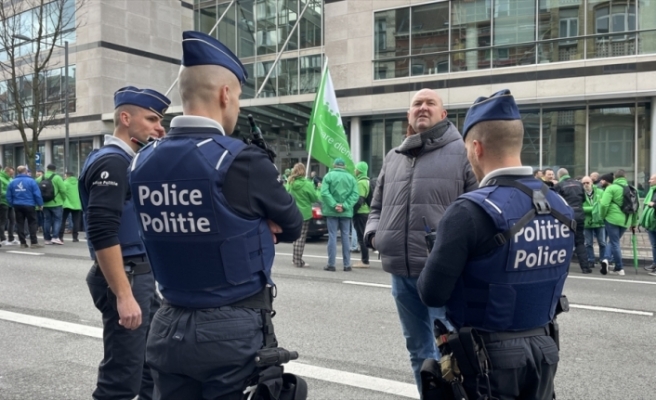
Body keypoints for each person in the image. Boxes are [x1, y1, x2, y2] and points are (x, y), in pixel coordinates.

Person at [128, 31, 304, 399]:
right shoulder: (240, 159)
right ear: (226, 94)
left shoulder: (141, 161)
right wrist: (257, 221)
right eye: (237, 97)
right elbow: (291, 224)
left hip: (166, 325)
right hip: (230, 329)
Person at [418, 89, 575, 400]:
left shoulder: (469, 211)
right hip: (544, 352)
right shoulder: (558, 205)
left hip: (486, 363)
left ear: (476, 148)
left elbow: (431, 292)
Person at [364, 88, 477, 392]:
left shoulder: (463, 152)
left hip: (444, 274)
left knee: (453, 353)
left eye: (430, 103)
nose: (422, 108)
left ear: (443, 114)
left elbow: (477, 209)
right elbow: (376, 207)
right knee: (418, 351)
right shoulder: (394, 157)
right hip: (401, 274)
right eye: (417, 104)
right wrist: (375, 236)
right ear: (409, 114)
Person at [80, 86, 170, 400]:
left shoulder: (127, 159)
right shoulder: (113, 162)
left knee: (151, 367)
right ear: (125, 117)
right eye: (152, 119)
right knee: (122, 380)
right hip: (126, 275)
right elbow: (102, 229)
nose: (161, 126)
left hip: (137, 274)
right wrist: (124, 294)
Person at [321, 157, 359, 272]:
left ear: (334, 165)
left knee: (332, 236)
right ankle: (347, 265)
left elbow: (324, 192)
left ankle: (331, 264)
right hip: (346, 212)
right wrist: (344, 205)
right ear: (345, 166)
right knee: (345, 237)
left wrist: (334, 205)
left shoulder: (328, 176)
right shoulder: (351, 178)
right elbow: (355, 195)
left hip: (331, 211)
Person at [599, 169, 638, 276]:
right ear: (625, 177)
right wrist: (634, 223)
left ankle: (619, 267)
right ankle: (609, 261)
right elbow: (635, 208)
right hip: (626, 220)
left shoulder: (611, 188)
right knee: (613, 241)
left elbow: (603, 205)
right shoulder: (633, 190)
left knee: (614, 242)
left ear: (615, 178)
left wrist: (602, 216)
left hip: (611, 219)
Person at [555, 168, 591, 273]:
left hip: (565, 216)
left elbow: (556, 201)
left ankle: (563, 267)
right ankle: (585, 267)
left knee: (564, 242)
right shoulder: (579, 184)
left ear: (559, 176)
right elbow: (584, 199)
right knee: (580, 241)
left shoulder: (559, 185)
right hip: (579, 215)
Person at [287, 162, 319, 268]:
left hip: (292, 212)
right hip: (304, 214)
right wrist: (318, 189)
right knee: (301, 238)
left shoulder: (290, 183)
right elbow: (314, 198)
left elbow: (286, 195)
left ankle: (294, 258)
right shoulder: (307, 184)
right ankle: (298, 261)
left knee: (296, 236)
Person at [6, 165, 43, 248]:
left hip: (17, 205)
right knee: (32, 223)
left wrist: (12, 204)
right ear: (26, 171)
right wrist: (40, 204)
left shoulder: (12, 182)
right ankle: (34, 242)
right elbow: (37, 194)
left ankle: (23, 242)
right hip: (29, 204)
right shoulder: (32, 181)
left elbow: (8, 196)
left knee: (20, 223)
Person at [37, 163, 66, 245]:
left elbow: (36, 189)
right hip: (56, 202)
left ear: (47, 169)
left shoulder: (40, 178)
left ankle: (47, 239)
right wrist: (63, 199)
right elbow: (63, 190)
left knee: (47, 220)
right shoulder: (57, 178)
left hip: (45, 203)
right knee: (57, 220)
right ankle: (55, 237)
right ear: (55, 170)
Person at [581, 175, 606, 269]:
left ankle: (603, 260)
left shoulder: (600, 192)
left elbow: (602, 205)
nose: (586, 185)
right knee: (588, 243)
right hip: (587, 222)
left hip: (599, 221)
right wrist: (594, 209)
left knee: (602, 242)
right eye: (583, 183)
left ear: (592, 183)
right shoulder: (581, 194)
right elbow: (581, 208)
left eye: (587, 182)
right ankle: (591, 260)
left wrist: (590, 209)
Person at [352, 161, 371, 268]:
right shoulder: (367, 181)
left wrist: (352, 212)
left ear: (359, 171)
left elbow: (359, 200)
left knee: (361, 237)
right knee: (364, 235)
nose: (354, 170)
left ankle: (364, 261)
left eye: (356, 169)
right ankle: (365, 259)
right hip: (367, 211)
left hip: (360, 213)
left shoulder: (360, 183)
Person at [58, 171, 82, 242]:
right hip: (76, 204)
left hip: (66, 204)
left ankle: (60, 237)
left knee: (62, 220)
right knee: (76, 221)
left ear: (67, 176)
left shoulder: (65, 183)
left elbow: (62, 192)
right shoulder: (78, 183)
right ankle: (75, 237)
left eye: (65, 176)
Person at [640, 174, 656, 274]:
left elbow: (652, 204)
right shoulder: (652, 191)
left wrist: (653, 204)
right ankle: (654, 264)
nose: (649, 181)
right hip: (651, 222)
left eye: (652, 179)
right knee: (654, 245)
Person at [0, 165, 18, 246]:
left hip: (10, 203)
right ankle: (3, 238)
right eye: (11, 173)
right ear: (7, 172)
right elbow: (1, 192)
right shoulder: (1, 179)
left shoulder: (10, 179)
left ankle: (11, 238)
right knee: (3, 221)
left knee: (12, 220)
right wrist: (10, 194)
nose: (12, 175)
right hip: (3, 202)